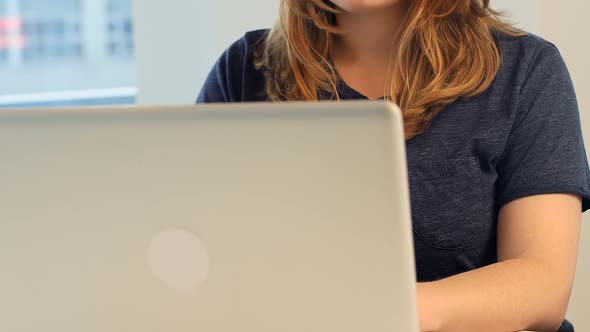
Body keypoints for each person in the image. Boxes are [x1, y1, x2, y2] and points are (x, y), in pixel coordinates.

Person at [197, 1, 590, 331]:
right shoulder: (244, 69)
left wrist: (386, 311)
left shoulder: (527, 70)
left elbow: (542, 283)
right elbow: (203, 251)